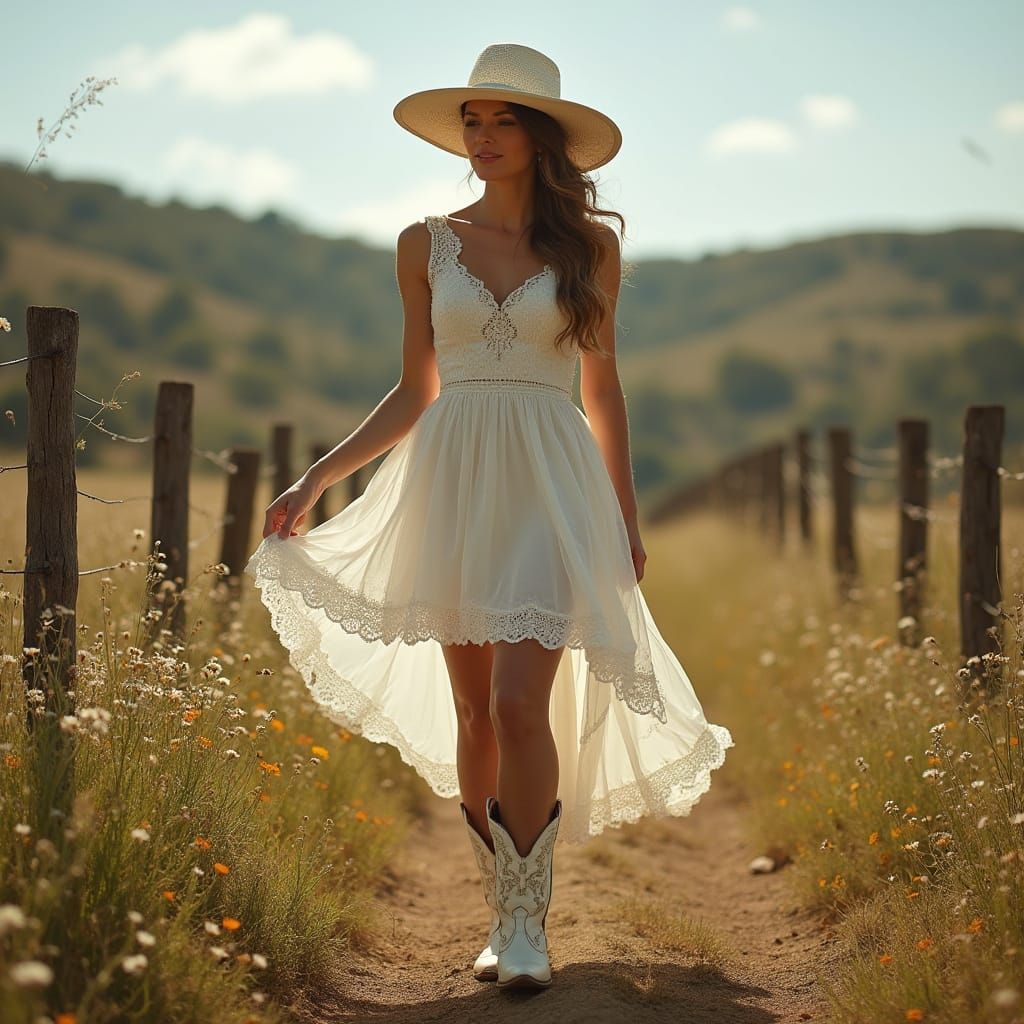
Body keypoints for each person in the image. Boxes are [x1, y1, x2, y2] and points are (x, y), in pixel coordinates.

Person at [244, 42, 733, 991]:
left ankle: (527, 925)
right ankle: (497, 911)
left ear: (543, 137)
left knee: (518, 702)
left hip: (553, 483)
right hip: (454, 481)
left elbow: (604, 390)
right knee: (473, 710)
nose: (483, 136)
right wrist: (315, 479)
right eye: (472, 120)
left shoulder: (590, 249)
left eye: (503, 119)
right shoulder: (425, 243)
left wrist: (625, 518)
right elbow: (414, 390)